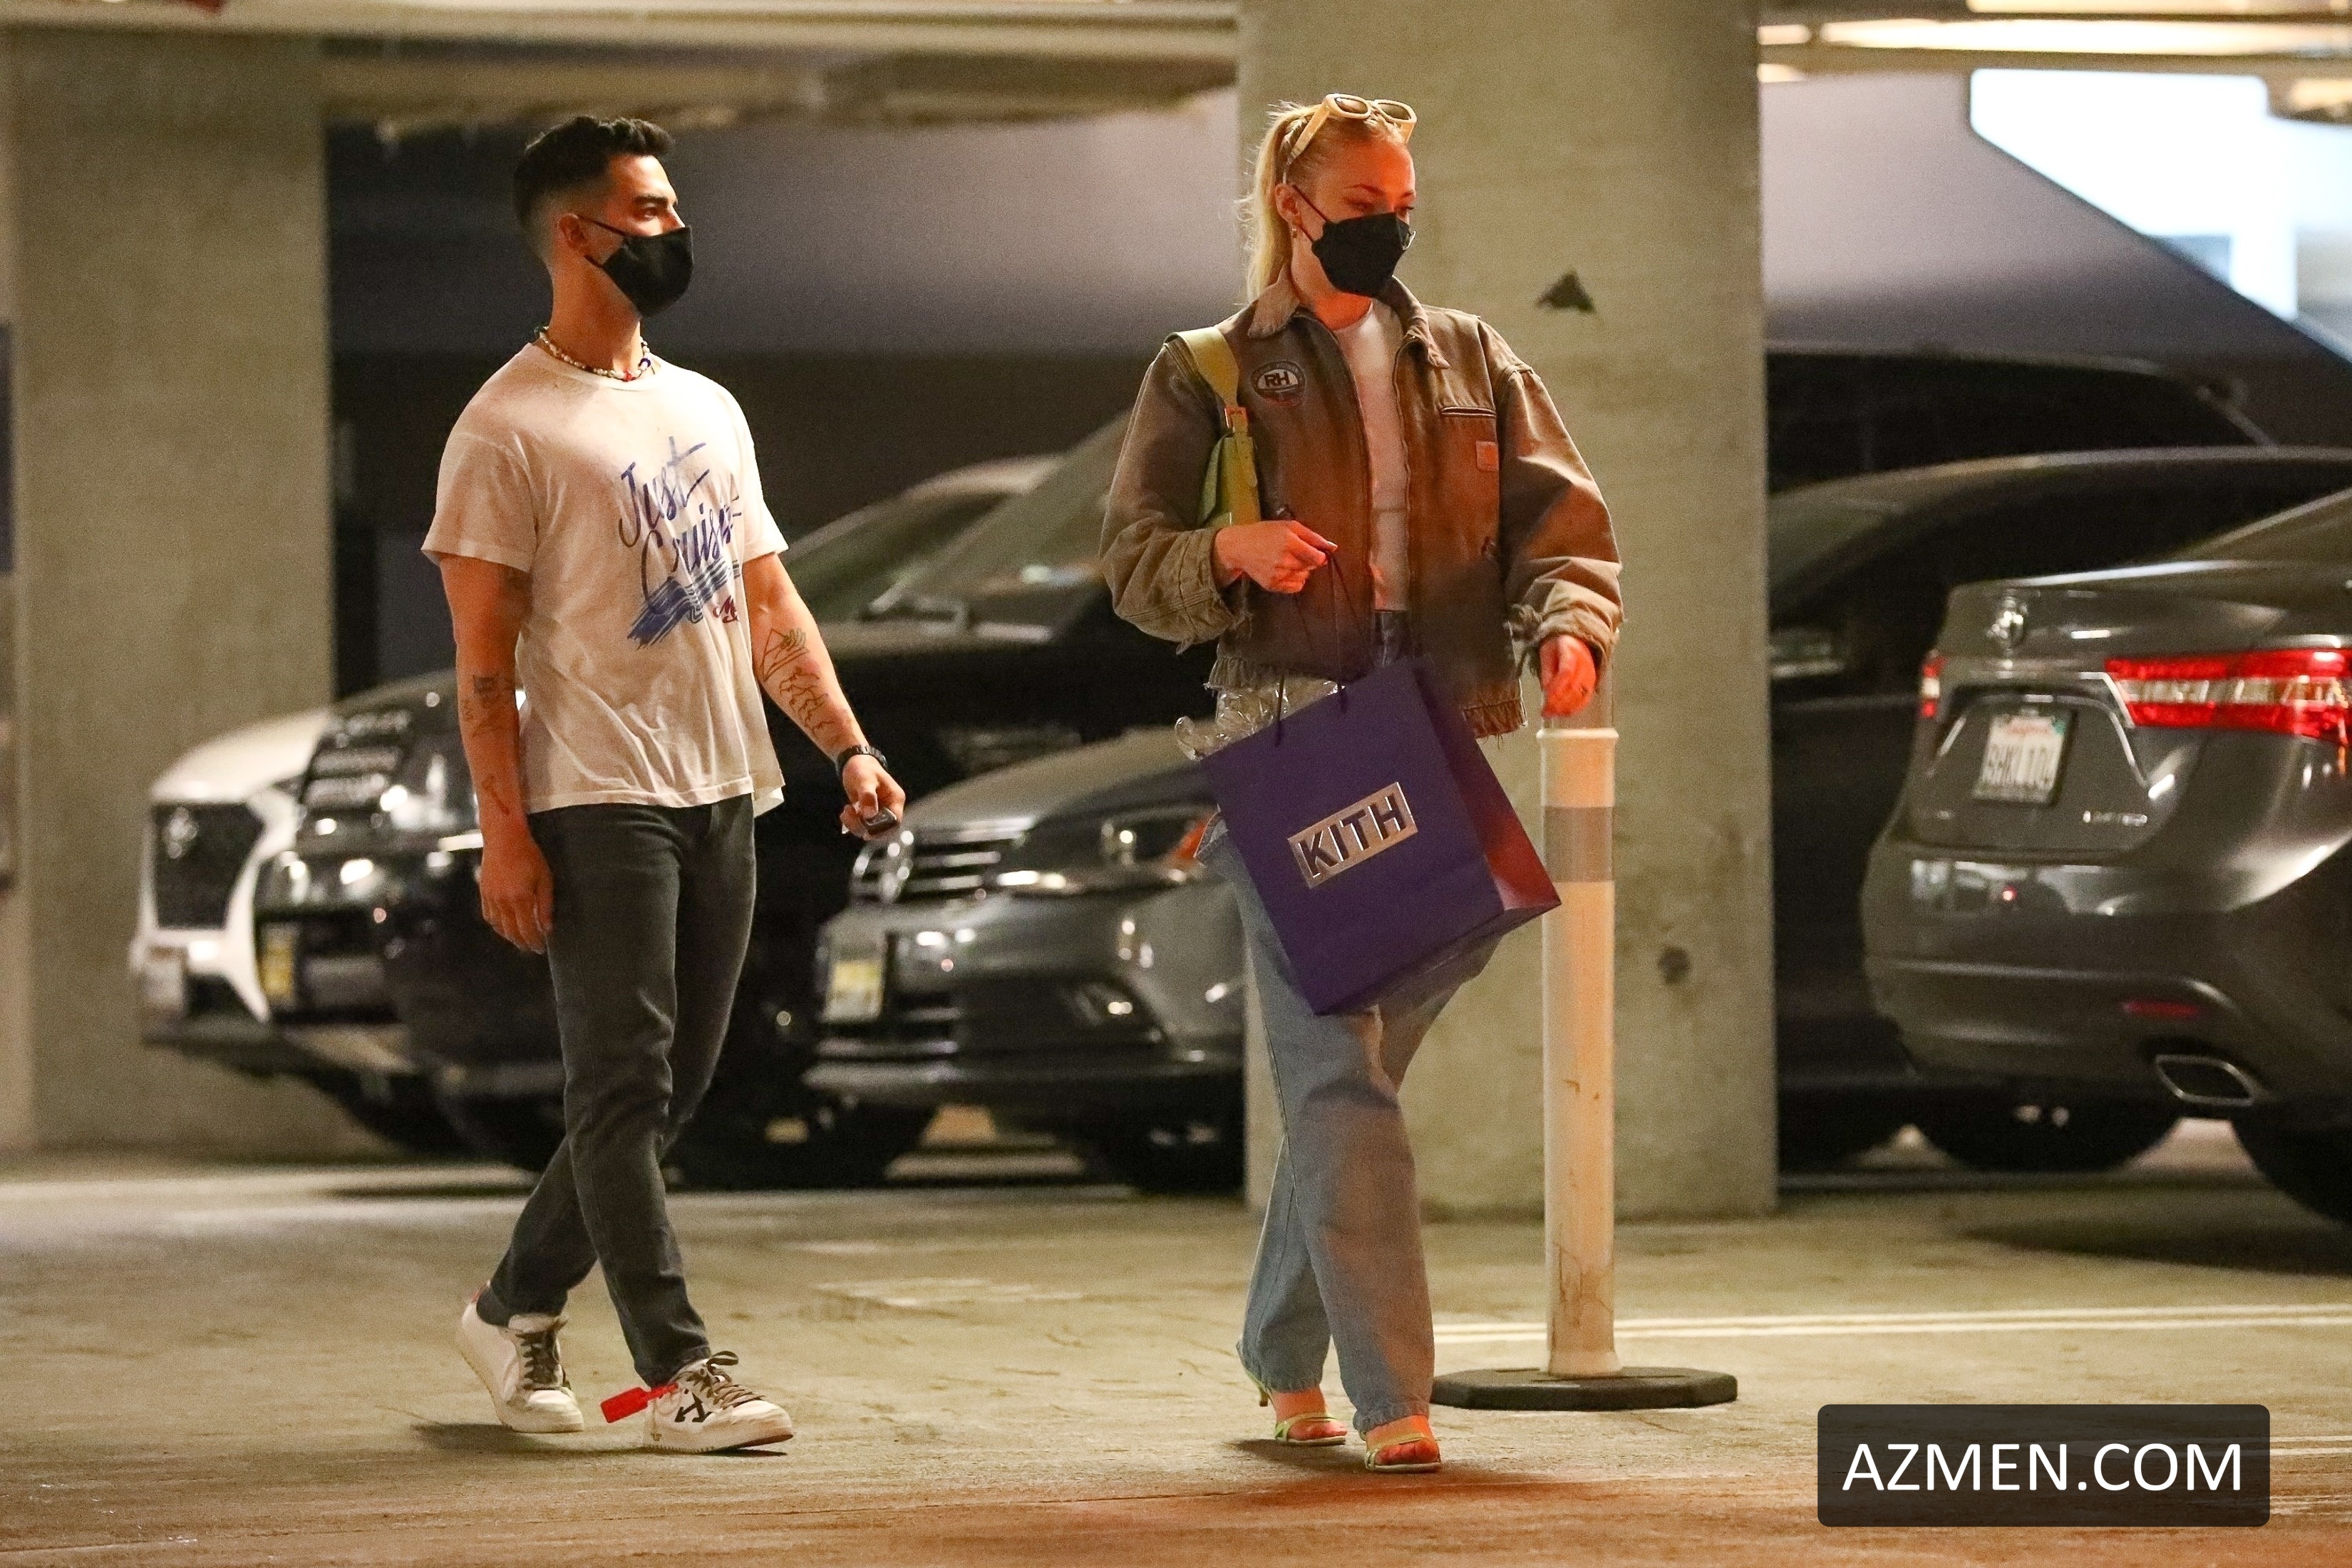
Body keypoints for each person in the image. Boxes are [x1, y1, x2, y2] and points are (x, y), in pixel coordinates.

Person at [1102, 94, 1623, 1474]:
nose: (1391, 226)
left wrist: (1567, 623)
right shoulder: (1210, 371)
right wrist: (1228, 553)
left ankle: (1282, 1352)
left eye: (1405, 204)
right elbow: (1134, 561)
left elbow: (1560, 522)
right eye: (1363, 205)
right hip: (1292, 733)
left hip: (1439, 725)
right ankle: (1394, 1392)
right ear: (1294, 206)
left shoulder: (1470, 357)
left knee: (1358, 1072)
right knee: (1342, 1071)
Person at [431, 115, 906, 1453]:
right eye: (648, 211)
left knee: (668, 1093)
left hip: (722, 787)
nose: (675, 230)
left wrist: (848, 746)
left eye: (673, 208)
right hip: (596, 798)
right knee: (624, 1090)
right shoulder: (504, 429)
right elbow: (481, 669)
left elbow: (770, 603)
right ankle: (679, 1373)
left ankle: (510, 1306)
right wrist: (506, 837)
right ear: (575, 233)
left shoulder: (706, 408)